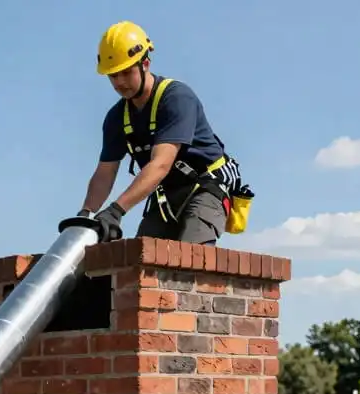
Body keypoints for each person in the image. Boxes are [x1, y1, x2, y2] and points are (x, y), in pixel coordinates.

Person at [76, 20, 251, 245]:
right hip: (166, 195)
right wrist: (85, 215)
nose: (119, 83)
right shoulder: (117, 117)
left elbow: (161, 164)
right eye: (113, 76)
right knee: (138, 260)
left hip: (205, 187)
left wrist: (116, 210)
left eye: (126, 73)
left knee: (192, 259)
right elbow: (104, 173)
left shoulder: (176, 98)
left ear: (145, 64)